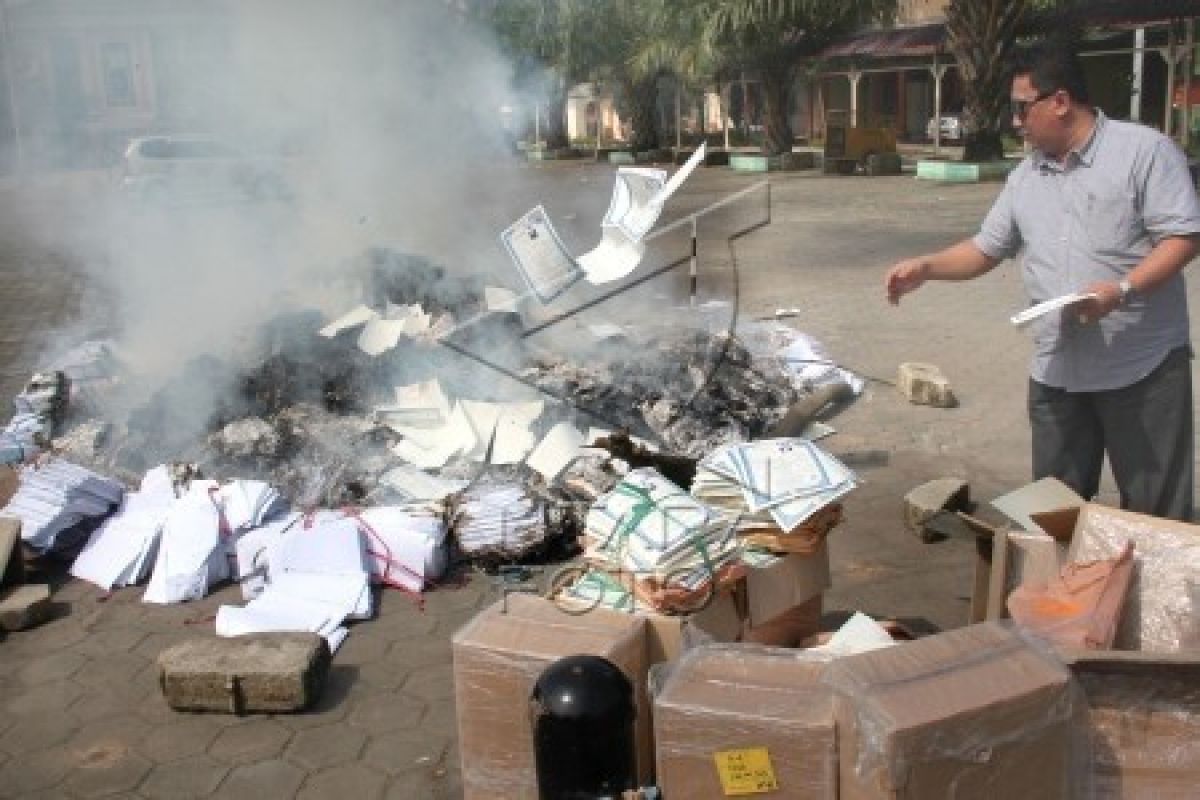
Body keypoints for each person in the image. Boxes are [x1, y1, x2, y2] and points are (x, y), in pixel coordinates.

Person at [885, 43, 1200, 521]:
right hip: (1059, 369)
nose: (1015, 121)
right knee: (1052, 512)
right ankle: (1062, 596)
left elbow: (1182, 236)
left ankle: (1150, 596)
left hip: (1141, 367)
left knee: (1157, 515)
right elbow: (985, 248)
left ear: (1060, 101)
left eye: (1020, 107)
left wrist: (1122, 290)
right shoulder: (1026, 177)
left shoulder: (1144, 152)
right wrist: (925, 268)